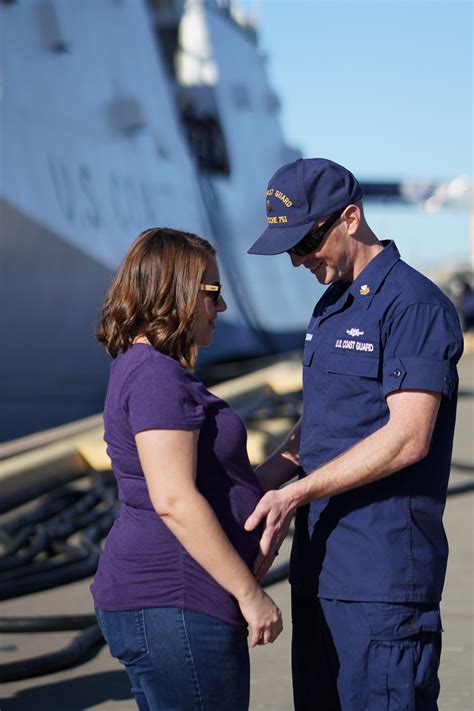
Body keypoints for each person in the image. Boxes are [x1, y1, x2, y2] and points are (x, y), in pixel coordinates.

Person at [245, 158, 464, 710]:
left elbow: (409, 436)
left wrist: (295, 493)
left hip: (381, 581)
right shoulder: (333, 307)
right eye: (289, 249)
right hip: (320, 571)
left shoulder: (414, 306)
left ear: (349, 218)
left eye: (305, 243)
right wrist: (265, 475)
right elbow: (332, 415)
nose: (297, 260)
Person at [91, 227, 282, 711]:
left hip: (170, 602)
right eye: (212, 293)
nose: (221, 309)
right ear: (174, 290)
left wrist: (294, 455)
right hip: (176, 601)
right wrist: (249, 594)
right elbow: (174, 499)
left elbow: (217, 486)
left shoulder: (144, 367)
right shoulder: (157, 376)